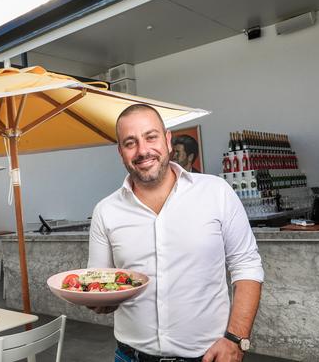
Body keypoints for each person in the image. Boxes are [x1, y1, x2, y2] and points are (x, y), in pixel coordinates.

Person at [88, 104, 263, 362]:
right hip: (130, 356)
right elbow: (103, 289)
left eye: (151, 137)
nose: (143, 150)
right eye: (130, 142)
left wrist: (236, 339)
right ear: (120, 152)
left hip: (208, 357)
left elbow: (246, 265)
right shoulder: (105, 211)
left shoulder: (216, 192)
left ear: (168, 140)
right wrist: (96, 299)